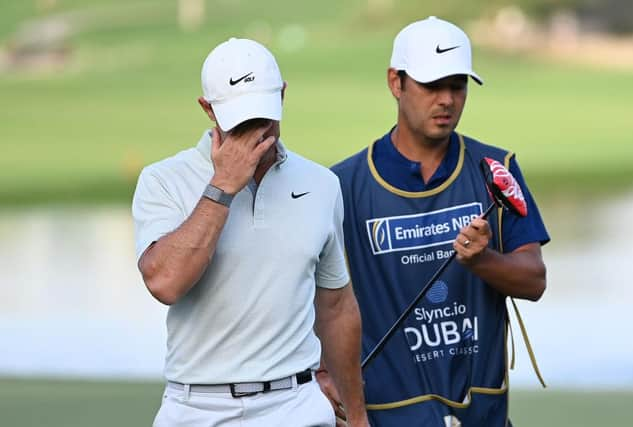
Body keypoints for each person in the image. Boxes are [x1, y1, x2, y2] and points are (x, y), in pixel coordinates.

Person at [132, 37, 368, 427]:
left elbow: (336, 307)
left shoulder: (321, 184)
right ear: (207, 109)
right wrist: (223, 185)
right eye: (240, 119)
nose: (255, 130)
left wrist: (357, 417)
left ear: (283, 95)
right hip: (196, 409)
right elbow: (165, 283)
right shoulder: (163, 181)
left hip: (296, 406)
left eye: (263, 113)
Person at [326, 16, 550, 426]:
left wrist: (483, 262)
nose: (447, 99)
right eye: (432, 86)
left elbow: (534, 280)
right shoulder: (341, 186)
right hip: (387, 415)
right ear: (396, 83)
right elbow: (320, 304)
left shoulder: (496, 169)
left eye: (458, 85)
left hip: (483, 413)